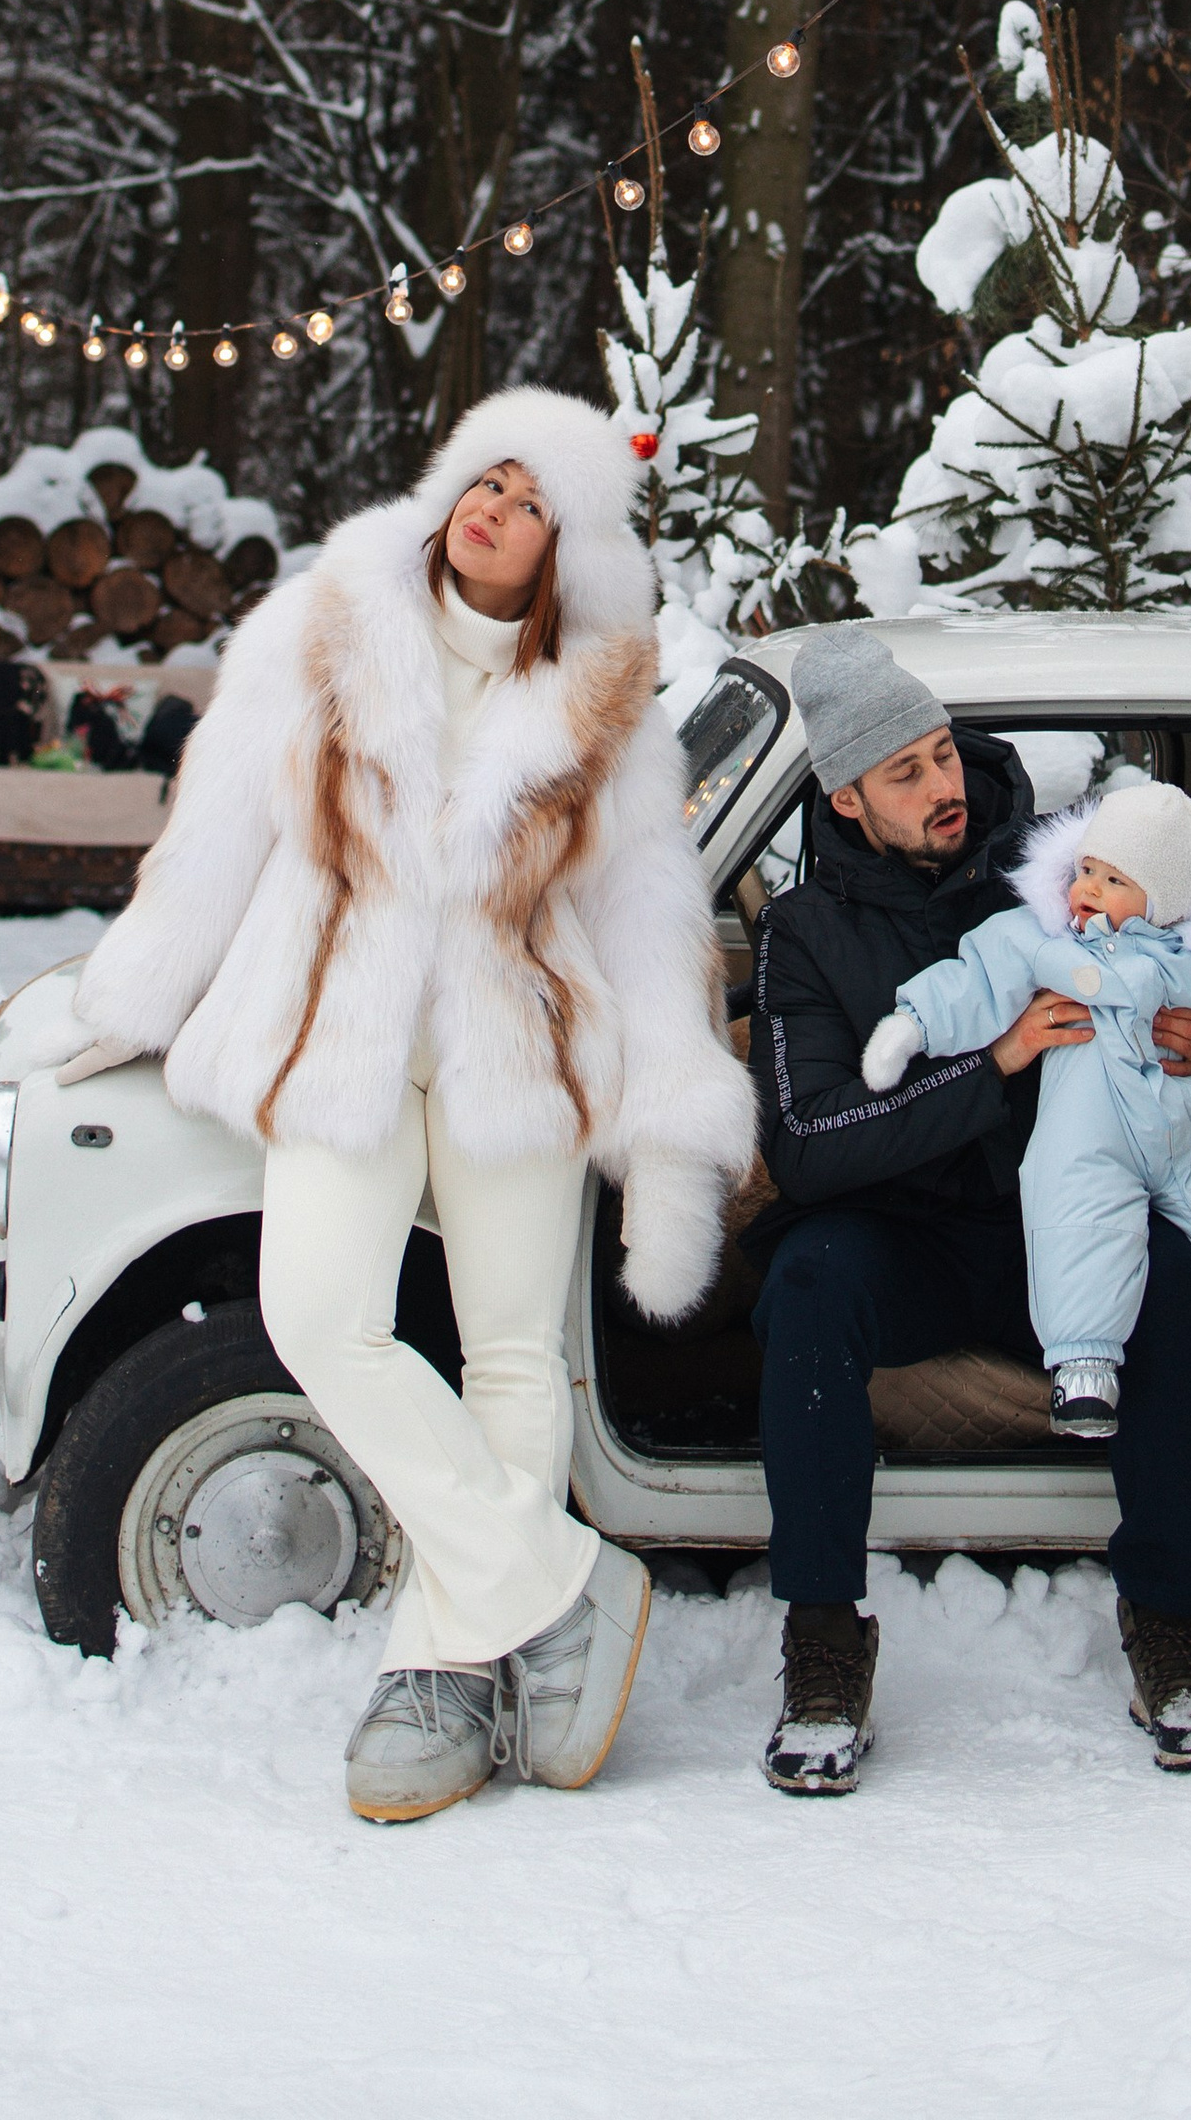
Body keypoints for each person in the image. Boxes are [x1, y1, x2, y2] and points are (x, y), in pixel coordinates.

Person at [68, 387, 756, 1823]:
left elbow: (643, 909)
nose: (492, 511)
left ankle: (447, 1673)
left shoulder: (604, 699)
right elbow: (218, 832)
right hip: (344, 1028)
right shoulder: (322, 629)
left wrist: (674, 1114)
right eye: (483, 481)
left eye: (528, 504)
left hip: (520, 1043)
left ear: (559, 554)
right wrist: (140, 989)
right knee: (322, 1314)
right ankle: (561, 1585)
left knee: (510, 1354)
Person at [745, 625, 1191, 1795]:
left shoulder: (1057, 879)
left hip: (1060, 1226)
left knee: (1171, 1278)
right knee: (806, 1283)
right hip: (896, 1238)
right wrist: (992, 1063)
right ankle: (823, 1638)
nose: (942, 787)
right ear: (845, 797)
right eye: (906, 773)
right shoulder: (804, 936)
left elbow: (1182, 972)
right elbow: (808, 1146)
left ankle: (1169, 1618)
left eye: (942, 756)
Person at [861, 781, 1191, 1449]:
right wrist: (912, 1025)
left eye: (1113, 878)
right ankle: (1082, 1362)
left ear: (1164, 898)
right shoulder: (1044, 935)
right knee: (1078, 1214)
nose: (1086, 887)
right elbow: (976, 978)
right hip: (1090, 1117)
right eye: (1086, 869)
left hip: (1188, 1123)